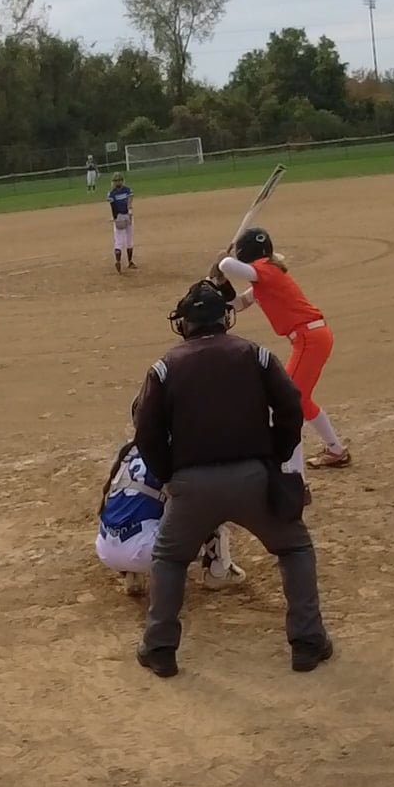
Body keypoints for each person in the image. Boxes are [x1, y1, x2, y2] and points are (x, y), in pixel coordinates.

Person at [131, 279, 330, 678]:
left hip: (192, 485)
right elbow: (290, 406)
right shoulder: (255, 354)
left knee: (169, 558)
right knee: (293, 548)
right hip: (254, 478)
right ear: (225, 318)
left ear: (184, 324)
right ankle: (307, 643)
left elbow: (145, 430)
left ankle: (160, 649)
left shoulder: (165, 367)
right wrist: (275, 453)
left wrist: (171, 474)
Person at [215, 227, 351, 473]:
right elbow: (237, 304)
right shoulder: (264, 279)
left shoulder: (266, 269)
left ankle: (295, 477)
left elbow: (228, 264)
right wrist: (222, 283)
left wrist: (222, 261)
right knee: (301, 401)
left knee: (285, 404)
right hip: (312, 337)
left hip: (309, 338)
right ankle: (336, 451)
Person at [96, 407, 245, 597]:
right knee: (206, 498)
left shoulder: (126, 450)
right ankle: (219, 571)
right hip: (146, 551)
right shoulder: (176, 452)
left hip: (105, 548)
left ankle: (131, 573)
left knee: (141, 500)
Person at [107, 173, 136, 273]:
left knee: (119, 240)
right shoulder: (127, 190)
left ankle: (118, 261)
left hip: (119, 216)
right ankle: (130, 262)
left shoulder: (111, 193)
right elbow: (130, 201)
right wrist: (129, 210)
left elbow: (113, 207)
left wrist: (115, 218)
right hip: (127, 215)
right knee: (129, 239)